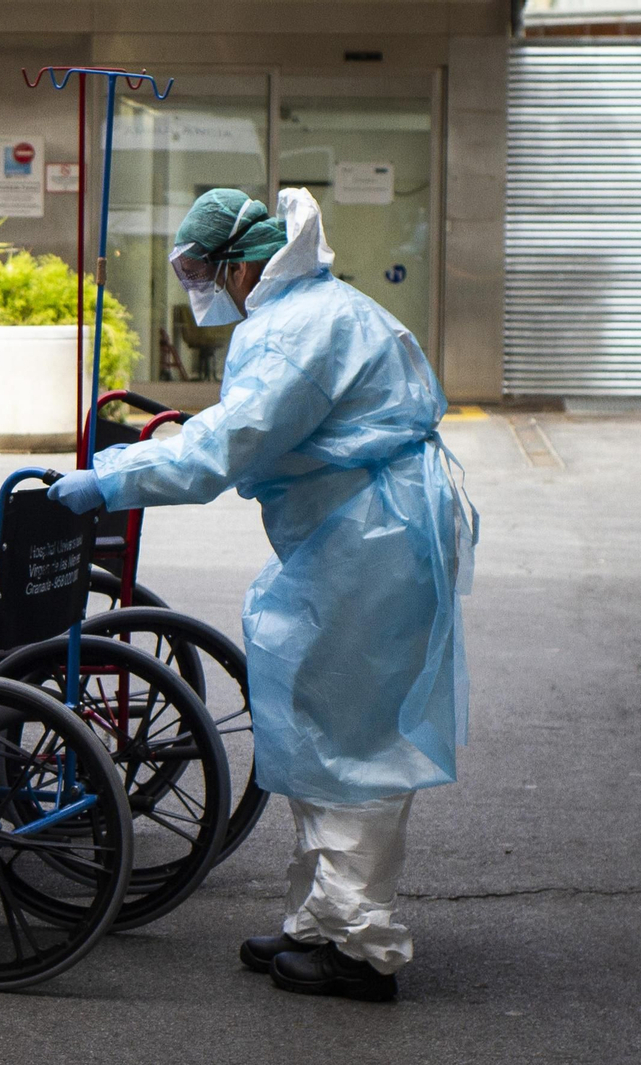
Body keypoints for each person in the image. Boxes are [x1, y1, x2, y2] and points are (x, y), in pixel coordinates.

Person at [49, 188, 477, 1003]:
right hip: (358, 534)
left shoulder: (297, 329)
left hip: (370, 542)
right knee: (320, 724)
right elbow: (237, 434)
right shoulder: (314, 311)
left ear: (243, 265)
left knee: (356, 742)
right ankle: (323, 919)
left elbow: (223, 448)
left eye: (204, 273)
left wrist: (105, 480)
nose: (202, 290)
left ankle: (362, 947)